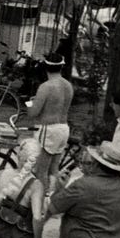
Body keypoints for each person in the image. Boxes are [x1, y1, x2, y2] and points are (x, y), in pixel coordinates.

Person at [24, 55, 74, 184]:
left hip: (49, 129)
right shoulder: (68, 86)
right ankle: (51, 198)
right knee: (54, 170)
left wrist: (29, 102)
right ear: (61, 67)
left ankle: (40, 201)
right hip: (63, 129)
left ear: (45, 67)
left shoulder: (46, 86)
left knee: (41, 171)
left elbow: (33, 113)